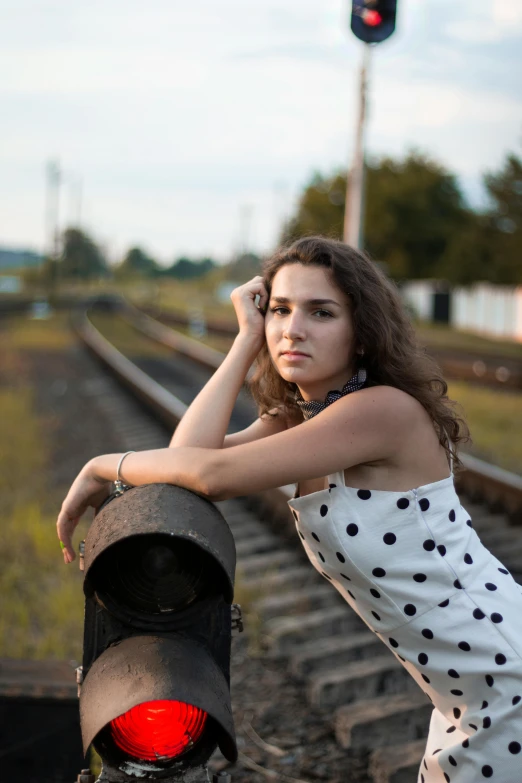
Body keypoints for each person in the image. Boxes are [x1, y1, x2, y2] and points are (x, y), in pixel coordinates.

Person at [57, 236, 522, 782]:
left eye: (321, 312)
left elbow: (208, 475)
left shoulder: (382, 412)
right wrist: (245, 341)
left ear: (364, 333)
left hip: (504, 680)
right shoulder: (303, 418)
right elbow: (186, 460)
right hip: (464, 692)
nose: (292, 328)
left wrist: (99, 466)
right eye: (279, 310)